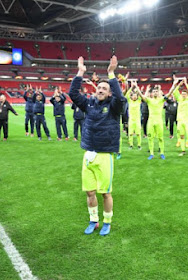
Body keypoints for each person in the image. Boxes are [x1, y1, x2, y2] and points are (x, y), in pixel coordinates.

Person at [69, 56, 123, 236]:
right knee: (89, 192)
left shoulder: (114, 107)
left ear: (109, 94)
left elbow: (120, 99)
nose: (100, 90)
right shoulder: (89, 104)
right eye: (98, 87)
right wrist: (80, 72)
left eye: (104, 88)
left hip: (105, 155)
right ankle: (94, 220)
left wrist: (111, 74)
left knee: (105, 194)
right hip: (88, 154)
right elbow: (74, 94)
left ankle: (107, 221)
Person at [138, 84, 170, 160]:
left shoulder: (162, 99)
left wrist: (174, 85)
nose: (155, 93)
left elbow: (169, 93)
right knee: (150, 138)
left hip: (159, 121)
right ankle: (151, 154)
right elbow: (141, 96)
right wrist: (136, 86)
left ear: (159, 92)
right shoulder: (149, 100)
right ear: (152, 93)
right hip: (151, 121)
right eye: (154, 91)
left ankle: (162, 153)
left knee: (161, 138)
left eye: (156, 91)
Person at [171, 76, 188, 158]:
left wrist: (187, 83)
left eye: (184, 94)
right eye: (182, 94)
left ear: (187, 95)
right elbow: (175, 91)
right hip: (180, 121)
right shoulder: (179, 99)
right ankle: (183, 151)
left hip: (187, 121)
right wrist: (179, 84)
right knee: (182, 136)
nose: (183, 95)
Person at [125, 81, 142, 150]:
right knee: (130, 133)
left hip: (137, 120)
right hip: (131, 120)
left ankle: (139, 145)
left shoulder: (139, 101)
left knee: (138, 133)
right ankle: (131, 145)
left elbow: (141, 95)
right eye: (133, 96)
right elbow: (126, 95)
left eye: (135, 96)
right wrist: (131, 87)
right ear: (131, 97)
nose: (134, 97)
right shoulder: (129, 101)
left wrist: (136, 86)